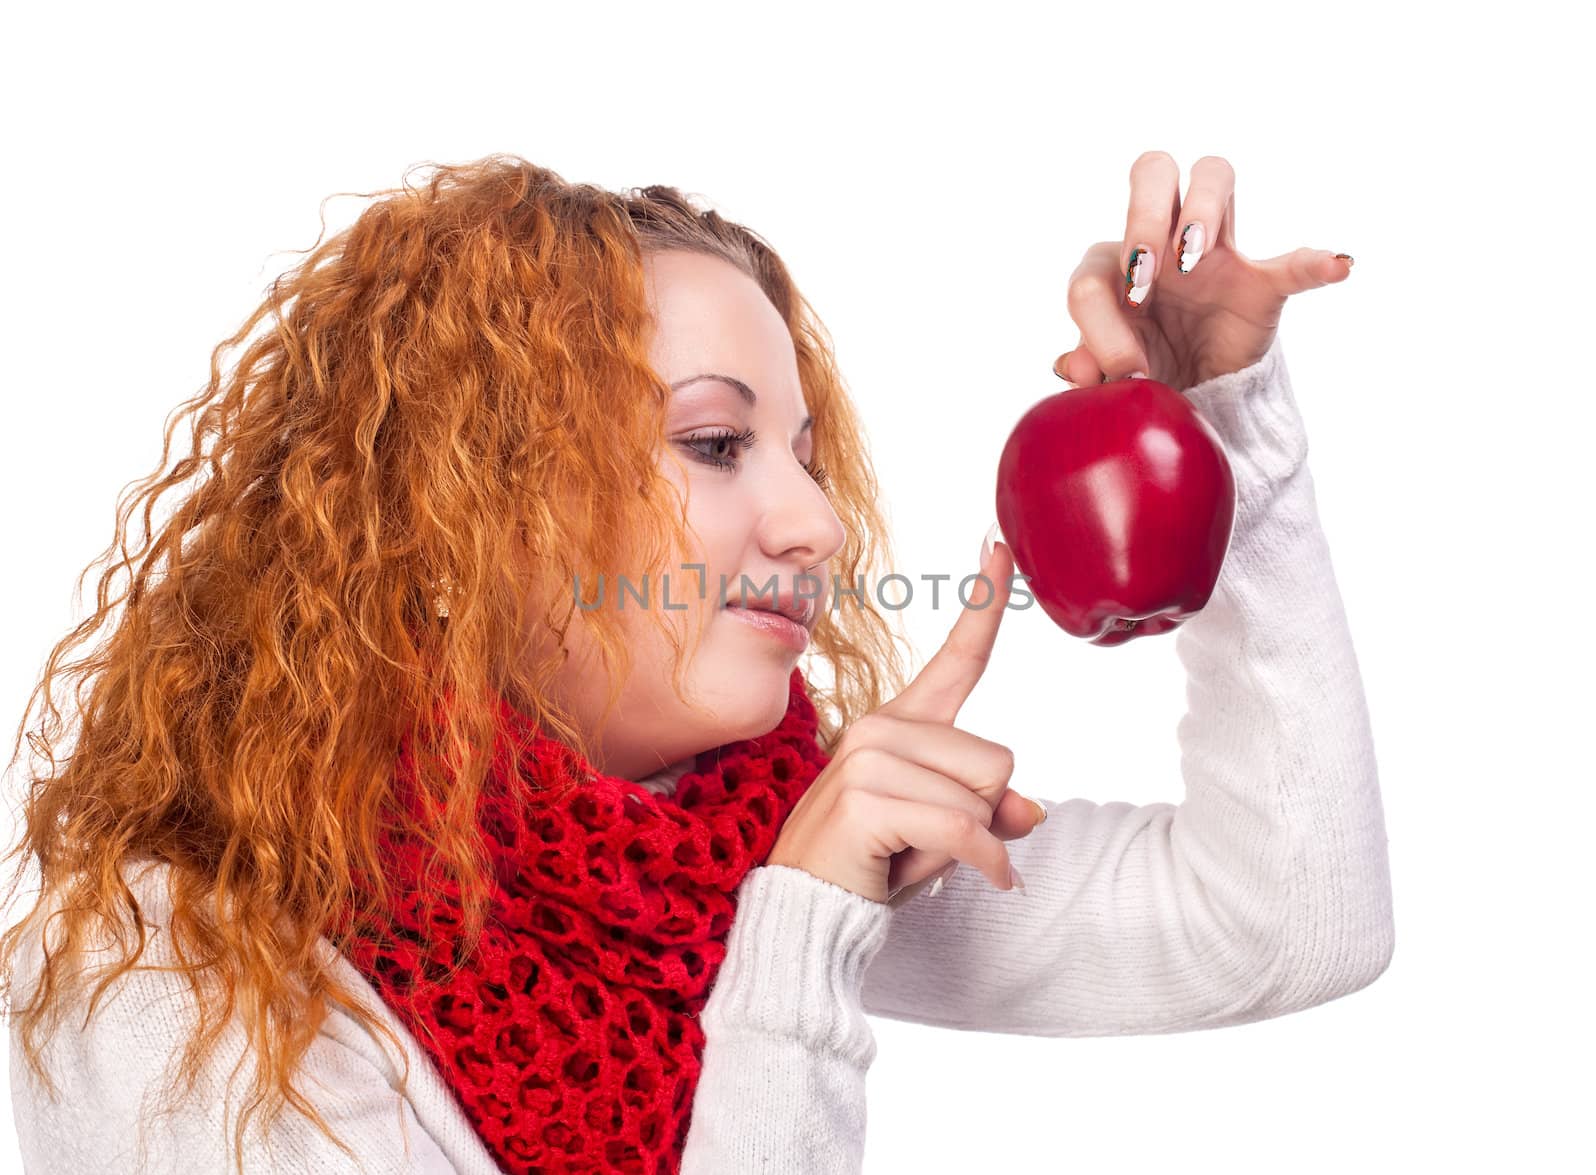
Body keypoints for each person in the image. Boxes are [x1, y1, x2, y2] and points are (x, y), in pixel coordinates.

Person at [0, 151, 1393, 1174]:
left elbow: (1287, 921)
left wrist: (1220, 434)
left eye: (799, 451)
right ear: (474, 501)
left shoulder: (748, 845)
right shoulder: (157, 973)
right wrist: (795, 953)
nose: (818, 521)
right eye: (715, 445)